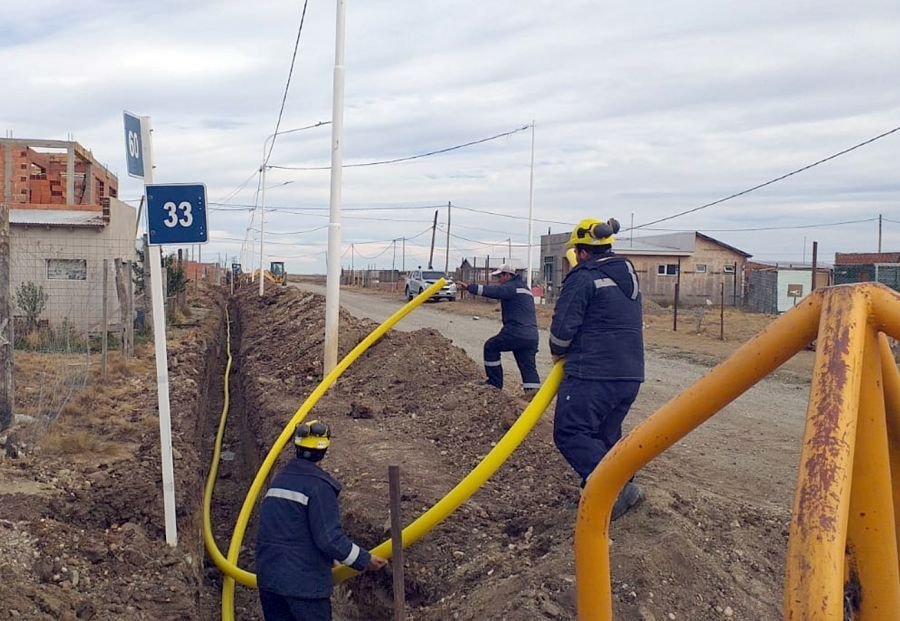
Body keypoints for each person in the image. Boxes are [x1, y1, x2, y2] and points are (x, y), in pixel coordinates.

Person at [549, 217, 644, 520]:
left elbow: (562, 330)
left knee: (571, 431)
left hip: (592, 371)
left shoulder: (583, 277)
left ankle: (615, 491)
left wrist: (557, 353)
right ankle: (610, 495)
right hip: (629, 373)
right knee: (605, 435)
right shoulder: (628, 275)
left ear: (581, 251)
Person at [255, 420, 387, 621]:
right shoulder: (319, 487)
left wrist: (326, 557)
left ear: (297, 447)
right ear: (324, 451)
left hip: (270, 581)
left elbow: (287, 529)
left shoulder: (279, 480)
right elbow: (329, 539)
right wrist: (364, 559)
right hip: (303, 586)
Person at [456, 264, 541, 394]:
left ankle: (494, 384)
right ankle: (533, 396)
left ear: (508, 275)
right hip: (532, 335)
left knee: (491, 347)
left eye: (499, 277)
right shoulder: (525, 288)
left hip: (516, 331)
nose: (498, 280)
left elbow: (493, 292)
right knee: (528, 366)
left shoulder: (511, 287)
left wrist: (469, 287)